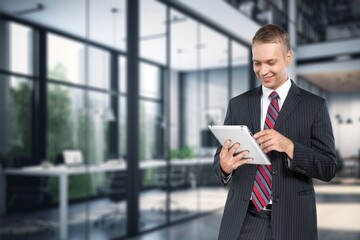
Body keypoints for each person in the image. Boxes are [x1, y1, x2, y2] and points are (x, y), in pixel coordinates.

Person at [213, 24, 337, 240]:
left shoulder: (314, 105)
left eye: (271, 62)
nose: (263, 71)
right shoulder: (238, 104)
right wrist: (224, 166)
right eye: (257, 63)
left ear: (288, 57)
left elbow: (328, 167)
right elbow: (219, 159)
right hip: (243, 219)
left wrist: (289, 146)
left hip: (293, 220)